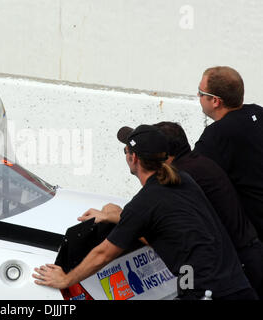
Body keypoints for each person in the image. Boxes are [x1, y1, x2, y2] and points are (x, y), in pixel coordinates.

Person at [33, 124, 257, 300]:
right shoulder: (184, 180)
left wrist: (66, 279)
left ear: (134, 158)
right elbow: (166, 229)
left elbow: (103, 254)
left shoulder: (144, 203)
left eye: (126, 151)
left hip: (207, 292)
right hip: (238, 284)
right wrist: (117, 216)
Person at [154, 121, 263, 299]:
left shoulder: (182, 178)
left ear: (164, 155)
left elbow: (161, 226)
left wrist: (120, 218)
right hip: (249, 253)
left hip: (237, 266)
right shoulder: (201, 163)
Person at [193, 66, 263, 242]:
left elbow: (189, 177)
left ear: (215, 101)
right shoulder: (258, 112)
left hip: (254, 236)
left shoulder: (216, 135)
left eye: (201, 93)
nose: (198, 96)